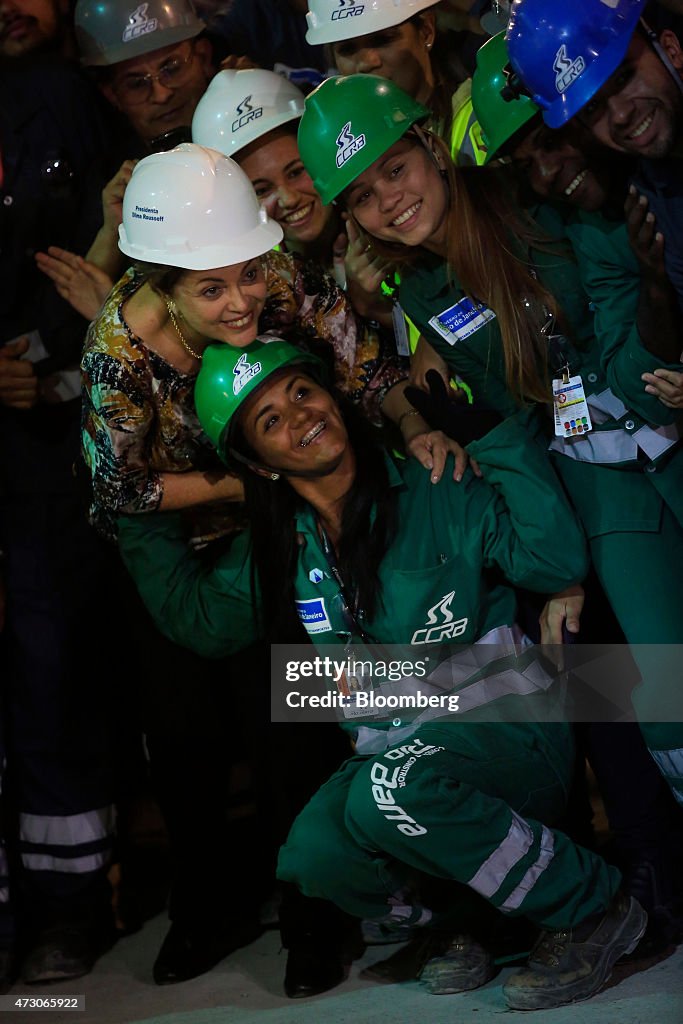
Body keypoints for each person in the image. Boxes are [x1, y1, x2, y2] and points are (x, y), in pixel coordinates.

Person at [114, 335, 648, 1011]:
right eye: (271, 419)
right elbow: (201, 623)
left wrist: (484, 435)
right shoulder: (283, 542)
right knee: (311, 857)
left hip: (511, 739)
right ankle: (473, 914)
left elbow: (551, 562)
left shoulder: (432, 478)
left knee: (386, 792)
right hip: (404, 761)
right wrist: (126, 505)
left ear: (332, 396)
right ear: (257, 461)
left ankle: (592, 907)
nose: (300, 415)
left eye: (302, 392)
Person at [470, 29, 683, 946]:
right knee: (630, 699)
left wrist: (649, 300)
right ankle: (653, 870)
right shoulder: (496, 252)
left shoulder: (610, 215)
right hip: (579, 506)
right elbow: (523, 411)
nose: (552, 164)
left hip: (645, 469)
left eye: (556, 137)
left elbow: (632, 370)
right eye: (529, 156)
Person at [504, 0, 683, 310]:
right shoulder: (655, 199)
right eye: (592, 107)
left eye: (624, 77)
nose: (621, 114)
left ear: (671, 49)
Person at [191, 67, 395, 325]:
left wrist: (376, 308)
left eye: (296, 172)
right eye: (261, 190)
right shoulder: (251, 290)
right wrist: (357, 304)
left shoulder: (389, 219)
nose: (288, 199)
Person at [305, 0, 487, 165]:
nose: (366, 62)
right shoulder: (348, 152)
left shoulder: (483, 115)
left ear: (426, 32)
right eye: (347, 49)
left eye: (382, 40)